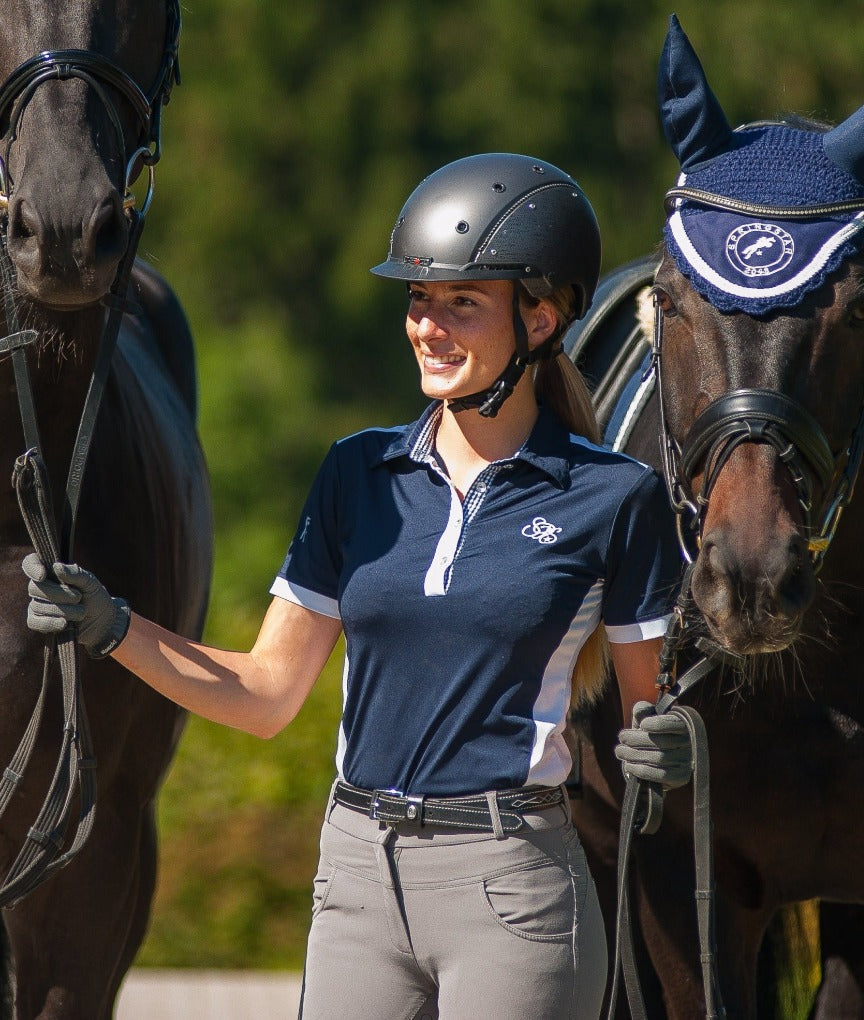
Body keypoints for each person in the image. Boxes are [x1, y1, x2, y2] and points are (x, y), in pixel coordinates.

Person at [23, 152, 691, 1020]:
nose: (428, 327)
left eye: (462, 302)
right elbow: (265, 694)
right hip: (355, 879)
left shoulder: (614, 498)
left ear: (541, 319)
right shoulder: (356, 475)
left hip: (513, 890)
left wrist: (671, 747)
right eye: (418, 301)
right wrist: (112, 625)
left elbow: (649, 714)